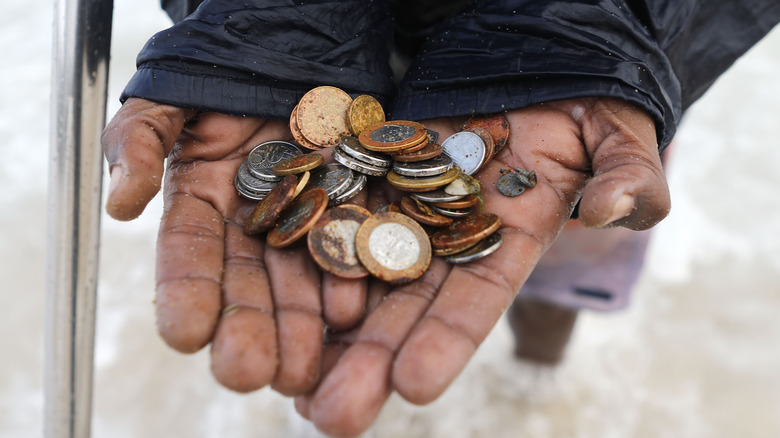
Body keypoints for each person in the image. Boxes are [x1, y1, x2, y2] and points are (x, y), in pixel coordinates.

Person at [101, 1, 780, 436]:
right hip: (327, 42)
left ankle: (533, 381)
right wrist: (272, 18)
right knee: (336, 311)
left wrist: (591, 24)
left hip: (586, 65)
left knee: (569, 218)